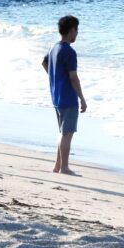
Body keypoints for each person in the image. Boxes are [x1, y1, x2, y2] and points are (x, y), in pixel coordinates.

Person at [40, 14, 87, 175]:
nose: (77, 34)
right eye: (76, 30)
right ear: (71, 30)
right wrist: (82, 98)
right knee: (67, 133)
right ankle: (65, 168)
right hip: (68, 97)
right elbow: (74, 77)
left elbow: (44, 62)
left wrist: (54, 78)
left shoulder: (54, 47)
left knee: (63, 132)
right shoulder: (69, 51)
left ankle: (58, 165)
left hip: (57, 96)